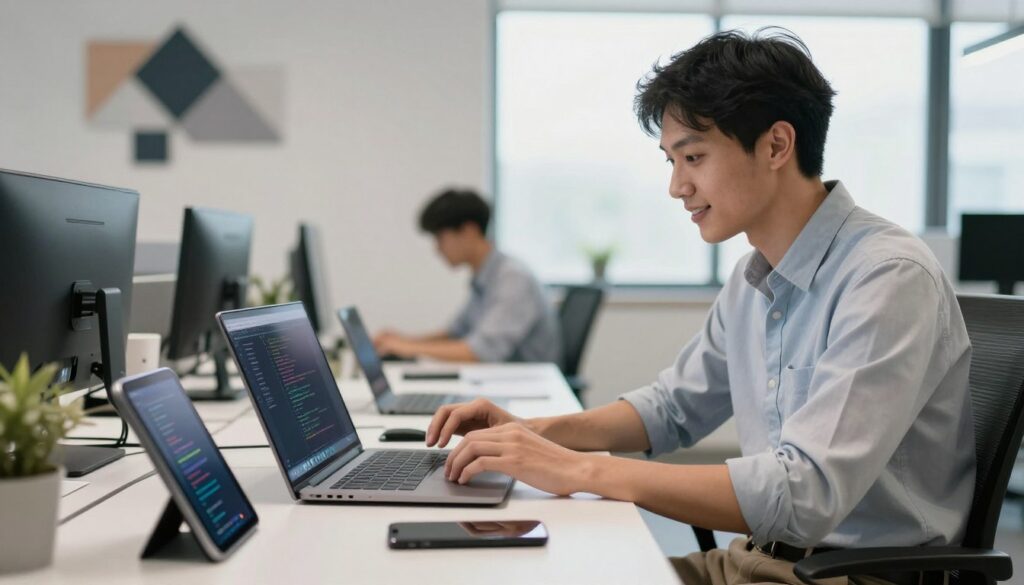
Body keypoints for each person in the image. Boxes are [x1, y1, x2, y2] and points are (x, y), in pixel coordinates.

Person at [425, 29, 975, 585]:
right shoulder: (752, 277)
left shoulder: (886, 277)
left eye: (693, 157)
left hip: (850, 576)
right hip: (757, 560)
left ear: (776, 146)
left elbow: (805, 494)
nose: (676, 186)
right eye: (672, 160)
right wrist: (535, 432)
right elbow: (672, 409)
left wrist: (578, 470)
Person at [373, 188, 562, 365]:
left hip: (526, 383)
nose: (437, 249)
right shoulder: (485, 277)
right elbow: (456, 333)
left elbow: (481, 352)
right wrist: (404, 341)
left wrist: (408, 348)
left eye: (440, 237)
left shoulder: (513, 279)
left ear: (469, 231)